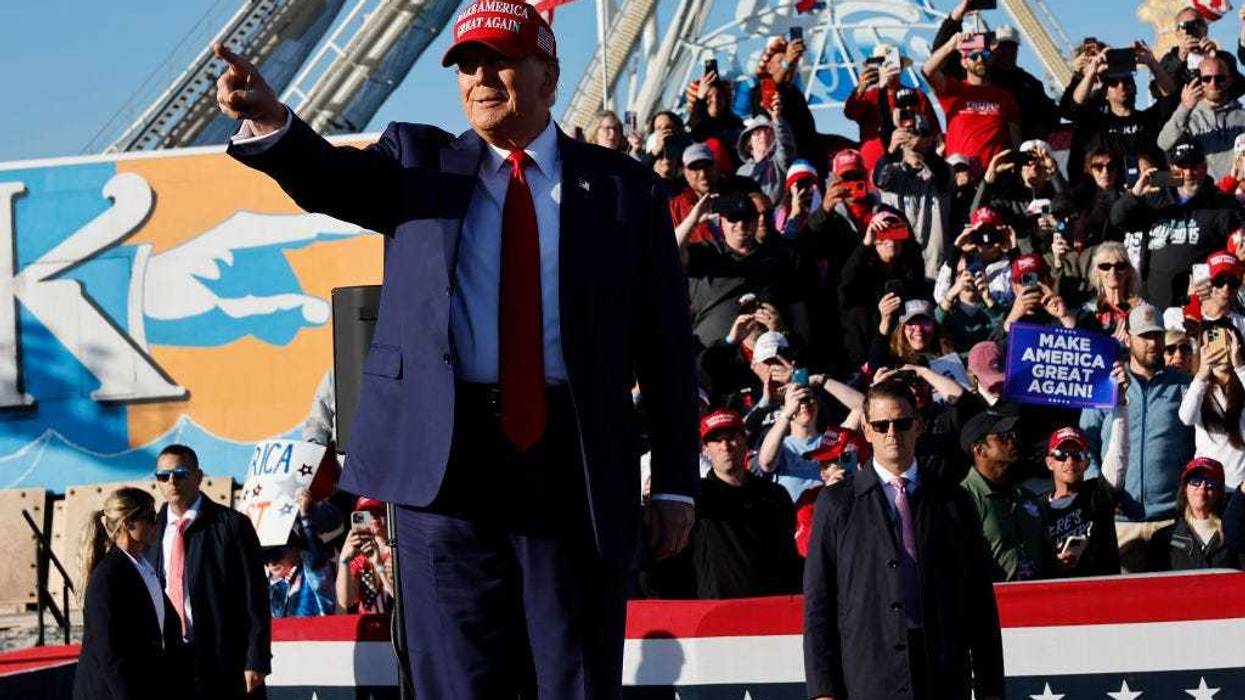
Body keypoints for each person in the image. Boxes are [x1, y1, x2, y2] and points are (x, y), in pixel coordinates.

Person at [215, 4, 700, 695]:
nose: (480, 78)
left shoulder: (623, 189)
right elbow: (328, 178)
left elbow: (665, 348)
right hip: (444, 466)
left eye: (499, 61)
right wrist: (273, 122)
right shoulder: (417, 162)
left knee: (575, 672)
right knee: (456, 678)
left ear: (548, 77)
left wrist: (675, 482)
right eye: (467, 66)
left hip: (572, 464)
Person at [804, 380, 1003, 700]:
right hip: (869, 674)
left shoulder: (953, 500)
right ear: (866, 430)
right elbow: (819, 602)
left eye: (902, 423)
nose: (891, 433)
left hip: (943, 673)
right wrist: (823, 691)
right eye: (881, 425)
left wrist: (990, 687)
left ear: (918, 425)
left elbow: (979, 600)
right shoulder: (837, 504)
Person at [144, 445, 270, 699]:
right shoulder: (151, 531)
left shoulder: (231, 524)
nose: (172, 482)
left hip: (224, 657)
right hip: (170, 658)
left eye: (180, 473)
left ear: (198, 477)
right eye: (163, 476)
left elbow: (255, 595)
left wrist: (256, 657)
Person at [1081, 303, 1195, 572]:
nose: (1152, 343)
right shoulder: (1107, 383)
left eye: (1157, 335)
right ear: (1128, 338)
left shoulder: (1183, 385)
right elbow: (1087, 444)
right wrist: (1102, 496)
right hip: (1119, 522)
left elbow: (1199, 446)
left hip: (1170, 520)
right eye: (1144, 336)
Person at [663, 409, 802, 598]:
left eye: (731, 438)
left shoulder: (774, 496)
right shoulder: (696, 498)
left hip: (770, 607)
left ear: (745, 441)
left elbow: (788, 557)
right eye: (717, 440)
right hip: (713, 608)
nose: (725, 446)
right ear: (705, 449)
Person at [74, 487, 186, 700]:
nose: (157, 524)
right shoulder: (107, 577)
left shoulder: (144, 568)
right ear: (127, 524)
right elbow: (109, 652)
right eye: (150, 518)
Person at [1112, 139, 1240, 309]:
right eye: (1182, 167)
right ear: (1171, 168)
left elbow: (1237, 250)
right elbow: (1118, 219)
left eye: (1194, 166)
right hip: (1155, 305)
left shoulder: (1221, 204)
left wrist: (1219, 278)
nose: (1188, 173)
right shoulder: (1155, 196)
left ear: (1204, 167)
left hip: (1201, 305)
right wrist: (1134, 195)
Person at [684, 192, 803, 349]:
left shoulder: (776, 261)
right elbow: (666, 255)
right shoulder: (704, 253)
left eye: (747, 218)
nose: (741, 225)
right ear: (721, 221)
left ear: (756, 221)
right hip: (709, 356)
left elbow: (799, 322)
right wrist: (693, 219)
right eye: (733, 218)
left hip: (763, 358)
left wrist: (781, 330)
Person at [959, 409, 1054, 581]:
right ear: (979, 450)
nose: (1012, 441)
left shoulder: (1028, 497)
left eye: (1013, 435)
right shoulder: (963, 499)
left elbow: (1046, 556)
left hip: (1037, 594)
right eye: (1003, 437)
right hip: (991, 596)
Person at [922, 29, 1021, 172]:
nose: (980, 60)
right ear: (964, 62)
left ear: (991, 58)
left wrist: (1016, 167)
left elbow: (1015, 138)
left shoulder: (1005, 97)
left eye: (984, 54)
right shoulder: (953, 89)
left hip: (996, 173)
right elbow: (927, 71)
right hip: (960, 173)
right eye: (973, 56)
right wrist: (951, 45)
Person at [1040, 425, 1123, 578]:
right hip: (1057, 588)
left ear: (1087, 463)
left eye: (1077, 455)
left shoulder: (1098, 493)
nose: (1070, 461)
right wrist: (1055, 562)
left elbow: (1119, 456)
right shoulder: (1037, 508)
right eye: (1061, 455)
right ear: (1049, 462)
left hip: (1099, 587)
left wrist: (1121, 414)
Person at [1147, 457, 1245, 570]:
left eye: (1211, 482)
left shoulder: (1235, 534)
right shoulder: (1164, 538)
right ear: (1185, 489)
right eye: (1195, 481)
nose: (1202, 486)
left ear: (1219, 492)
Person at [1157, 53, 1245, 180]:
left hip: (1240, 189)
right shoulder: (1187, 117)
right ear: (1199, 81)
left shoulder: (1242, 116)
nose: (1213, 83)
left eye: (1220, 78)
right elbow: (1163, 143)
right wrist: (1184, 107)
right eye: (1207, 79)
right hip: (1206, 190)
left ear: (1229, 80)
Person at [1179, 325, 1245, 489]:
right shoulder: (1197, 387)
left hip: (1242, 486)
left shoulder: (1242, 381)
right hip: (1208, 486)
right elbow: (1187, 418)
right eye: (1212, 344)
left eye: (1226, 342)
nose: (1220, 350)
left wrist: (1240, 367)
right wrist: (1202, 374)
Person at [335, 497, 395, 614]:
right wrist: (343, 561)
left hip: (397, 621)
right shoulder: (360, 554)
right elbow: (345, 602)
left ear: (388, 513)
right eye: (367, 514)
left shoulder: (398, 549)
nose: (373, 518)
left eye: (378, 512)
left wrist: (379, 568)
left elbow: (406, 600)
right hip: (370, 622)